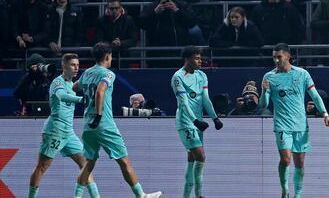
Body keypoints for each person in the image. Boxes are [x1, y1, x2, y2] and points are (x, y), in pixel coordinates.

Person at [72, 42, 162, 198]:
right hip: (104, 124)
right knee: (124, 162)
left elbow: (74, 88)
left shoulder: (86, 73)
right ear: (108, 56)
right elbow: (100, 91)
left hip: (88, 125)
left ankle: (77, 196)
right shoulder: (108, 74)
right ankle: (141, 195)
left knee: (88, 164)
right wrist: (99, 115)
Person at [258, 43, 329, 198]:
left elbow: (315, 96)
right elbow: (263, 105)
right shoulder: (269, 77)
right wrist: (264, 91)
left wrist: (325, 114)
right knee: (285, 159)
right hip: (282, 125)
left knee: (299, 163)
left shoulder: (302, 74)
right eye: (274, 57)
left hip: (300, 125)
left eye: (279, 57)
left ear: (288, 56)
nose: (276, 60)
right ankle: (285, 190)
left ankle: (297, 195)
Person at [28, 53, 100, 198]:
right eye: (73, 65)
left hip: (68, 132)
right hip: (55, 130)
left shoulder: (73, 84)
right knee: (42, 167)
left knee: (86, 165)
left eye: (78, 65)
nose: (76, 68)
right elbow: (61, 96)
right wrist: (82, 99)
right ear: (64, 66)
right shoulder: (57, 82)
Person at [171, 45, 223, 198]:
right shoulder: (177, 77)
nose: (200, 61)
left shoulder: (202, 76)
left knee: (192, 159)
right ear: (187, 59)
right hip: (186, 122)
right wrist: (194, 120)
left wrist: (215, 118)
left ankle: (186, 196)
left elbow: (205, 99)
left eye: (201, 58)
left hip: (197, 122)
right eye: (197, 58)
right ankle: (199, 195)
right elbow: (183, 102)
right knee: (201, 156)